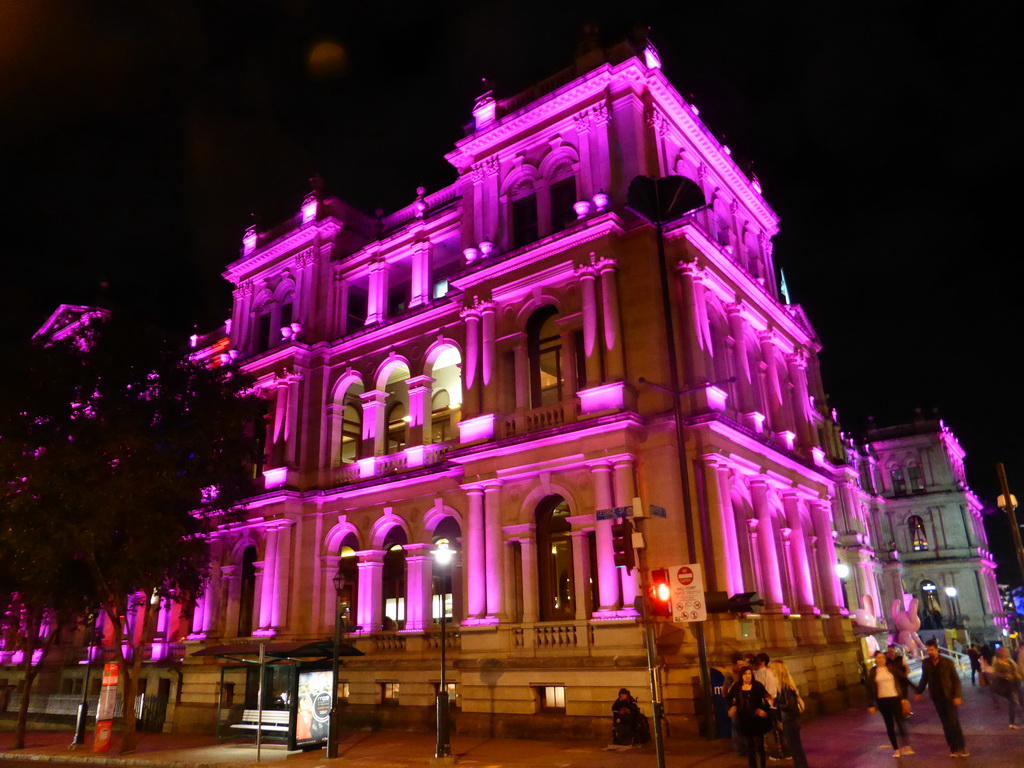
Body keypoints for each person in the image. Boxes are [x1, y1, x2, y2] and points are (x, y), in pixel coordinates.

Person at [914, 639, 967, 757]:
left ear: (937, 649)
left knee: (953, 722)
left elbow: (956, 680)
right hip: (937, 698)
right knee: (945, 724)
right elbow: (924, 678)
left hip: (949, 696)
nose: (929, 652)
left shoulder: (947, 662)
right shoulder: (926, 663)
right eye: (927, 650)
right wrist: (919, 691)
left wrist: (957, 695)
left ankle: (961, 746)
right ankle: (953, 748)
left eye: (931, 650)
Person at [866, 650, 914, 757]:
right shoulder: (873, 672)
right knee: (889, 725)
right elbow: (870, 688)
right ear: (875, 659)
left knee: (900, 722)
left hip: (894, 698)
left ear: (885, 659)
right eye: (878, 658)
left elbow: (903, 679)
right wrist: (871, 704)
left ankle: (906, 745)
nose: (880, 659)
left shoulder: (891, 669)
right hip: (882, 700)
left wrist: (915, 690)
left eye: (882, 657)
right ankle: (896, 748)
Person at [727, 667, 772, 768]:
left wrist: (763, 709)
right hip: (744, 719)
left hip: (756, 719)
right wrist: (733, 706)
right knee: (749, 746)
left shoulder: (757, 686)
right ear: (741, 676)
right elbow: (729, 698)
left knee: (759, 745)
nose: (748, 676)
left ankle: (762, 765)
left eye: (749, 674)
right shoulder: (737, 686)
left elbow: (768, 698)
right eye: (745, 674)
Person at [769, 660, 808, 768]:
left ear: (777, 669)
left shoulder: (785, 686)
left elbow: (789, 705)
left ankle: (801, 766)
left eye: (772, 668)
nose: (771, 670)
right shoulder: (783, 685)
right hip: (790, 719)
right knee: (795, 747)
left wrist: (775, 703)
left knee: (795, 747)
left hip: (790, 720)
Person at [990, 646, 1023, 729]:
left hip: (1015, 685)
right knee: (1016, 703)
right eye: (1004, 651)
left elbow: (1017, 670)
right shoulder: (998, 663)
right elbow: (996, 674)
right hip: (1006, 686)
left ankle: (1011, 723)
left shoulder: (1010, 661)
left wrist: (1018, 675)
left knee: (1012, 703)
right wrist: (1007, 676)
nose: (1006, 653)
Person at [730, 652, 749, 757]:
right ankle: (741, 749)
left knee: (738, 726)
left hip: (740, 704)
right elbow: (726, 692)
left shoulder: (741, 673)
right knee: (737, 726)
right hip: (737, 704)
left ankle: (742, 748)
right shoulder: (735, 675)